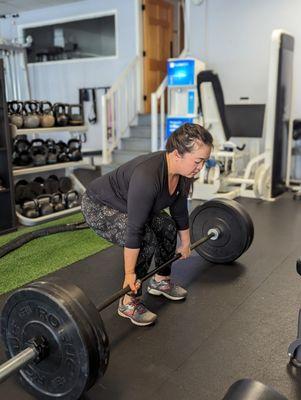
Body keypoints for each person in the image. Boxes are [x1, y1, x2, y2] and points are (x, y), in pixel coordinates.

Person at [81, 123, 213, 326]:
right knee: (145, 239)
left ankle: (161, 280)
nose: (200, 167)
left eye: (204, 162)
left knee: (167, 226)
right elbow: (134, 230)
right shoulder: (148, 176)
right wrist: (129, 274)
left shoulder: (184, 175)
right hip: (99, 204)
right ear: (177, 154)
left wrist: (185, 242)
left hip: (129, 204)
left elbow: (179, 211)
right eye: (198, 161)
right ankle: (128, 302)